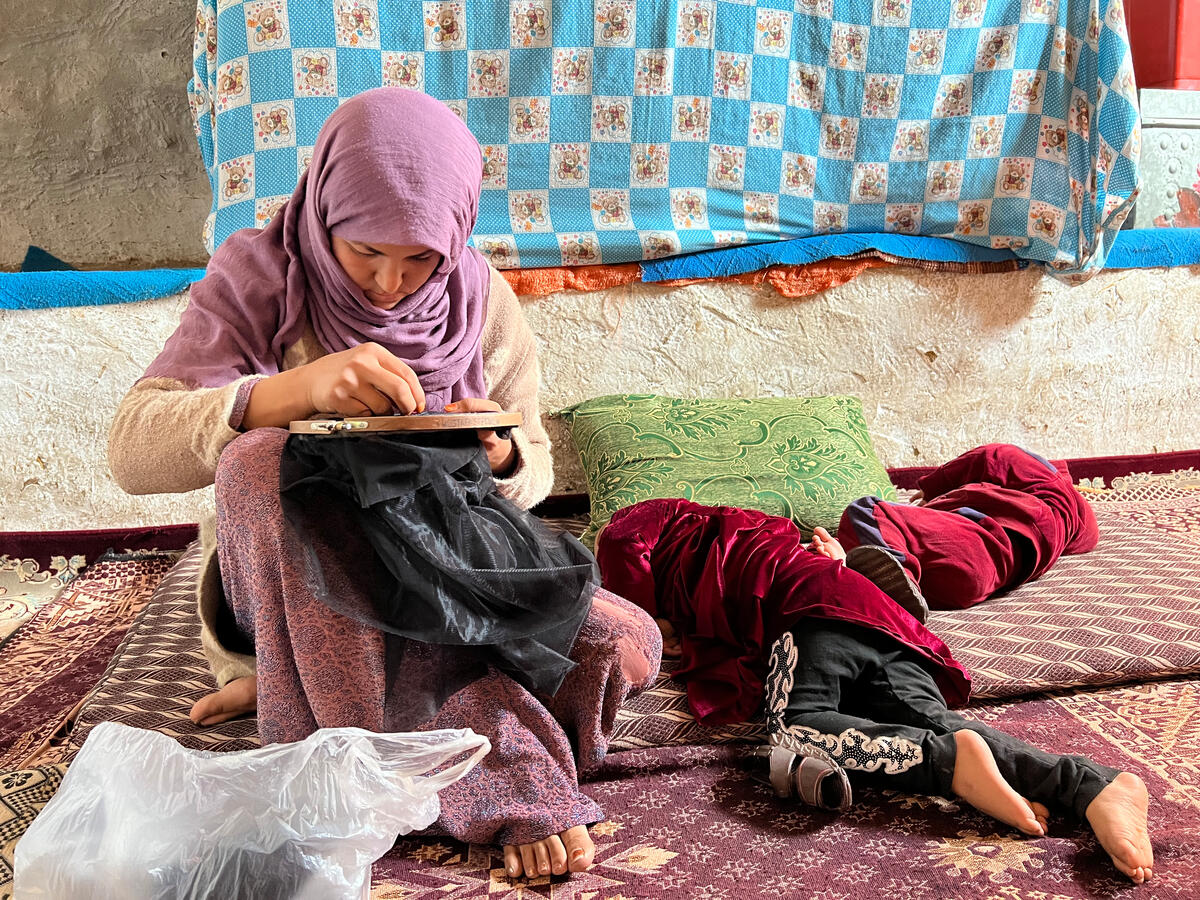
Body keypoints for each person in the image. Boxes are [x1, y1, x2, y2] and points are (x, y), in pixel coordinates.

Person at [108, 87, 661, 880]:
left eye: (419, 260)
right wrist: (287, 395)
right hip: (302, 566)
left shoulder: (478, 299)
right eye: (362, 252)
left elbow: (535, 459)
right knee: (262, 463)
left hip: (447, 558)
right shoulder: (259, 276)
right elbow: (132, 450)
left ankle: (311, 700)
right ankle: (486, 772)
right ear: (324, 208)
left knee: (625, 644)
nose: (388, 285)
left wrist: (500, 455)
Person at [595, 450, 1154, 883]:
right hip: (878, 614)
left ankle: (942, 764)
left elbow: (633, 617)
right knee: (932, 720)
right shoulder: (760, 530)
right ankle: (1095, 787)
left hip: (806, 612)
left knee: (796, 725)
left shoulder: (630, 526)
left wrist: (650, 624)